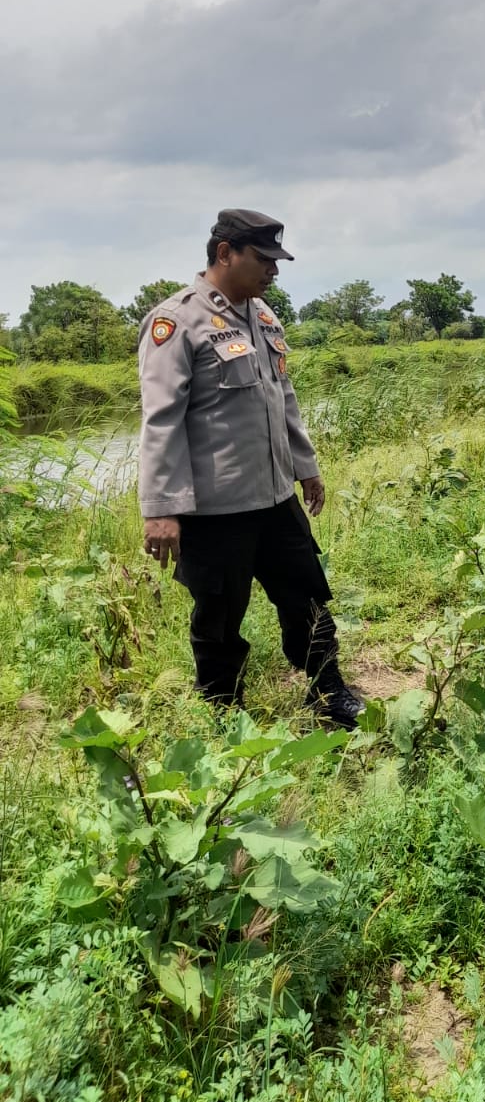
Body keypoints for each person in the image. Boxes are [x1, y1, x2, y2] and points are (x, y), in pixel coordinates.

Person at [137, 209, 364, 728]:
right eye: (263, 259)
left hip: (274, 498)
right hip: (216, 509)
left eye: (276, 260)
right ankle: (222, 712)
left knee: (307, 598)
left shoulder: (264, 317)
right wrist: (161, 510)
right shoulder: (177, 322)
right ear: (225, 253)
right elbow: (161, 421)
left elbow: (284, 398)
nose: (274, 271)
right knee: (219, 614)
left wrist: (305, 466)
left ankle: (329, 694)